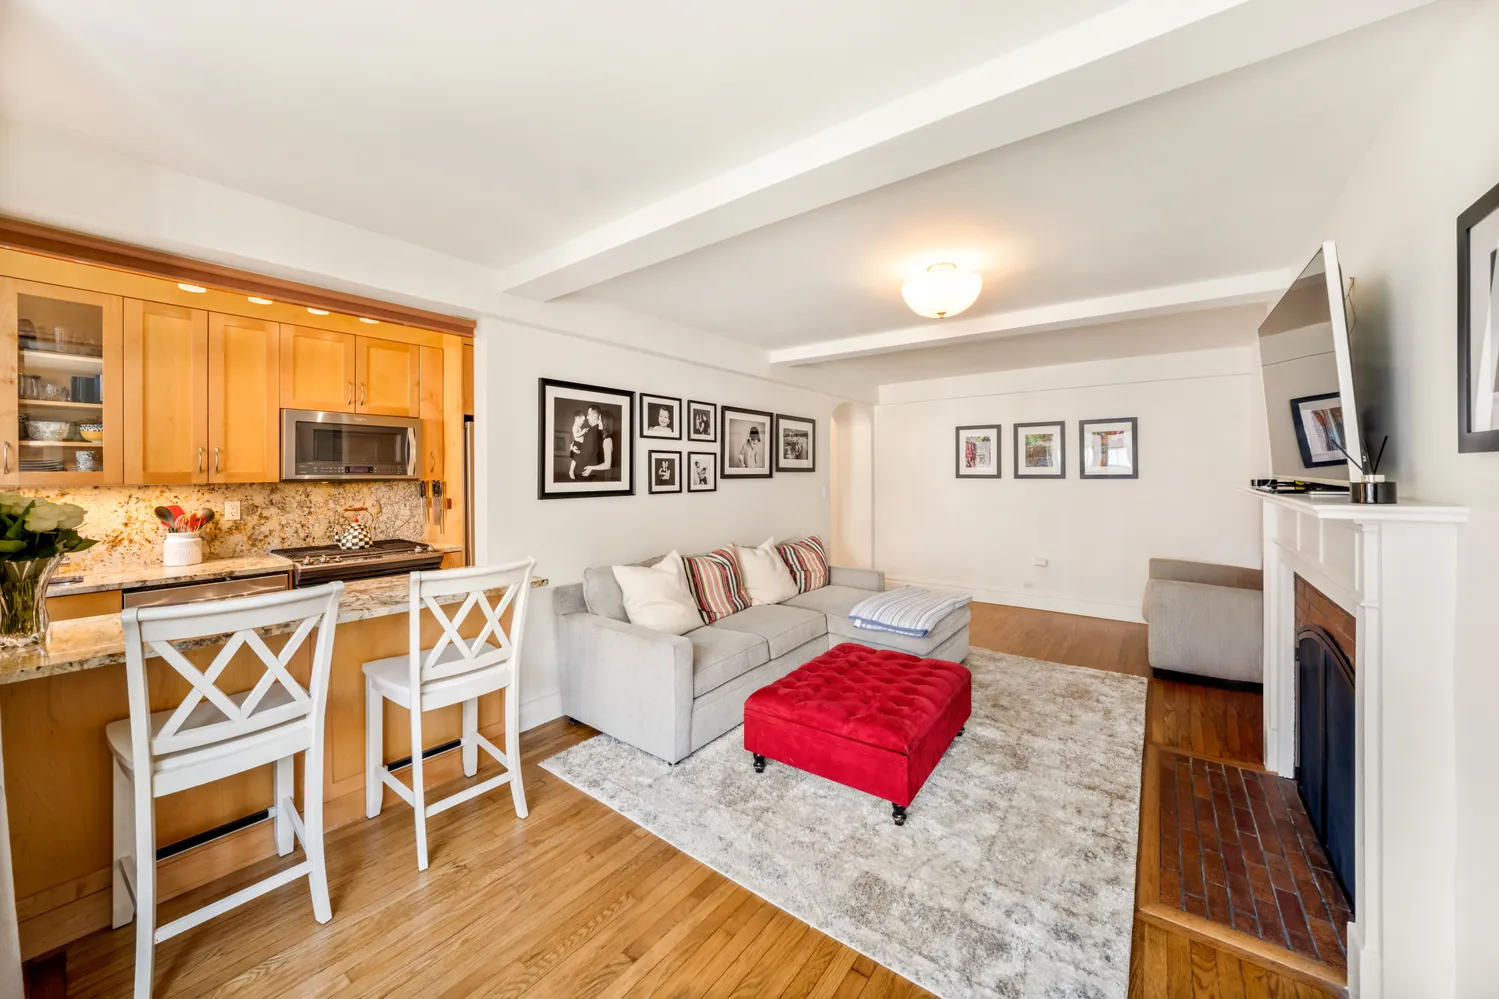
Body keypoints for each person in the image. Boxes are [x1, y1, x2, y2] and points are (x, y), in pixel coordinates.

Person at [579, 405, 614, 479]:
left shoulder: (607, 440)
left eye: (600, 420)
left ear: (605, 423)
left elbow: (607, 465)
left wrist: (591, 468)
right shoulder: (602, 438)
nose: (598, 422)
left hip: (602, 477)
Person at [566, 410, 588, 479]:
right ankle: (571, 470)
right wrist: (582, 432)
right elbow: (576, 435)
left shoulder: (578, 427)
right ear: (577, 418)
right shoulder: (575, 426)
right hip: (577, 444)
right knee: (575, 459)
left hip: (580, 444)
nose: (583, 422)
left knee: (579, 458)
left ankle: (576, 470)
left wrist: (584, 431)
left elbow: (580, 435)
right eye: (582, 420)